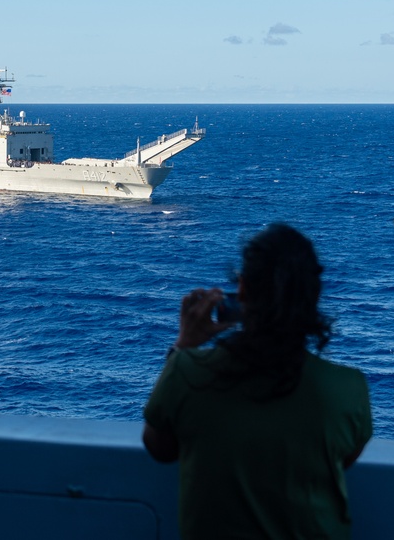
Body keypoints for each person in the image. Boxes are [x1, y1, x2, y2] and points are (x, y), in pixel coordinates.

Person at [143, 223, 372, 539]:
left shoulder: (188, 372)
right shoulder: (348, 388)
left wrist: (184, 344)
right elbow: (340, 460)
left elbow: (159, 447)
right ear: (313, 298)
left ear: (243, 291)